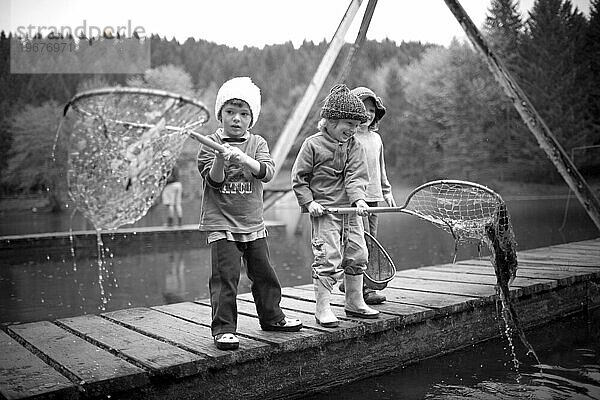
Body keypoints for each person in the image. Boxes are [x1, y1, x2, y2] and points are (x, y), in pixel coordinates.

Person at [197, 76, 302, 350]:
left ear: (251, 118)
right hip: (221, 224)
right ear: (220, 114)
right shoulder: (209, 143)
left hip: (253, 223)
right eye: (230, 112)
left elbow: (267, 172)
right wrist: (221, 156)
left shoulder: (258, 143)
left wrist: (244, 159)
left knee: (265, 274)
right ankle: (223, 329)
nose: (236, 119)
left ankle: (272, 318)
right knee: (225, 279)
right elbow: (214, 181)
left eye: (244, 114)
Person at [291, 83, 379, 328]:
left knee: (358, 253)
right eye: (347, 124)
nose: (353, 129)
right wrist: (309, 203)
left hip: (351, 211)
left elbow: (356, 176)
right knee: (328, 258)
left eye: (355, 125)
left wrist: (359, 199)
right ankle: (323, 308)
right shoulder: (312, 145)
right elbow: (299, 179)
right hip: (324, 212)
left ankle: (355, 301)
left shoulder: (355, 146)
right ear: (329, 120)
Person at [338, 86, 397, 305]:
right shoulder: (349, 139)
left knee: (371, 241)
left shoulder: (376, 139)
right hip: (355, 200)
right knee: (358, 243)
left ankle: (359, 284)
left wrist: (387, 191)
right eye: (363, 108)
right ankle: (359, 287)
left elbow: (380, 168)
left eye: (372, 110)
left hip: (373, 198)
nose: (368, 114)